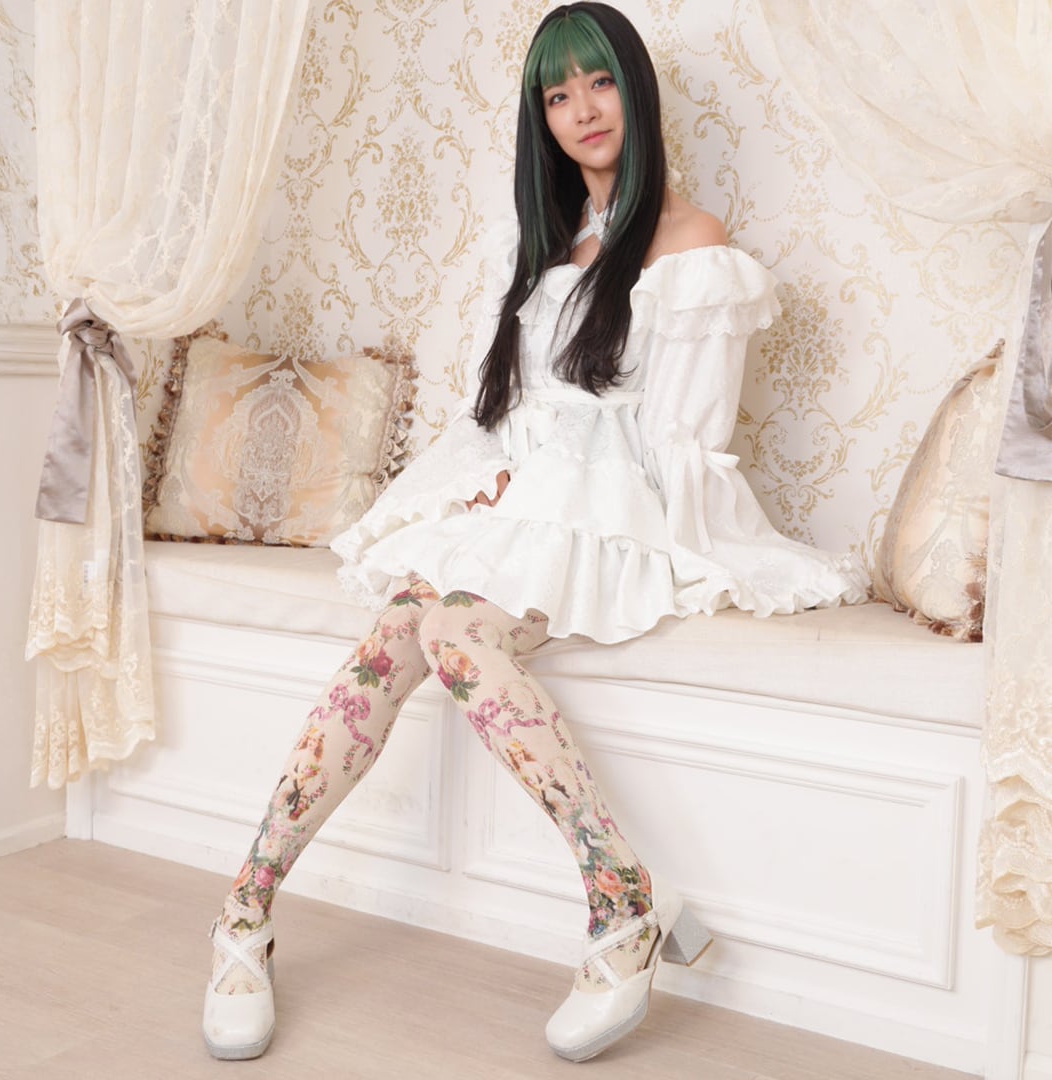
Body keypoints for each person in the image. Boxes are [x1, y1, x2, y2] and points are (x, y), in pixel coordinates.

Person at [201, 1, 868, 1064]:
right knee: (392, 637)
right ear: (541, 120)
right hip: (523, 502)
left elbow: (686, 440)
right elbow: (508, 411)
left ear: (635, 90)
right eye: (557, 95)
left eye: (598, 82)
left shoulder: (693, 244)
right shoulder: (544, 247)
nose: (582, 110)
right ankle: (245, 915)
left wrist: (662, 540)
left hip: (612, 503)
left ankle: (620, 905)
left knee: (452, 634)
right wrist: (486, 485)